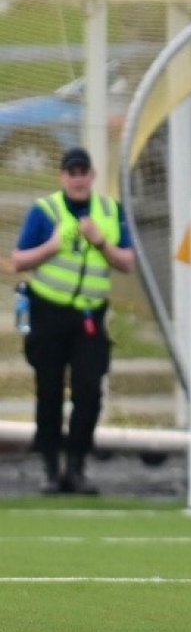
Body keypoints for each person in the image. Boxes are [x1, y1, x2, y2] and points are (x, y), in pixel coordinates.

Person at [9, 146, 136, 495]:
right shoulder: (45, 211)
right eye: (71, 172)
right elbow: (19, 260)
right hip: (48, 313)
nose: (78, 178)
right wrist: (51, 247)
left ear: (92, 176)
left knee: (89, 391)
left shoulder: (109, 212)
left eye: (83, 172)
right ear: (62, 177)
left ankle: (76, 467)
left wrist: (101, 243)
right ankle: (50, 468)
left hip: (89, 317)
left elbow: (127, 261)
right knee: (48, 392)